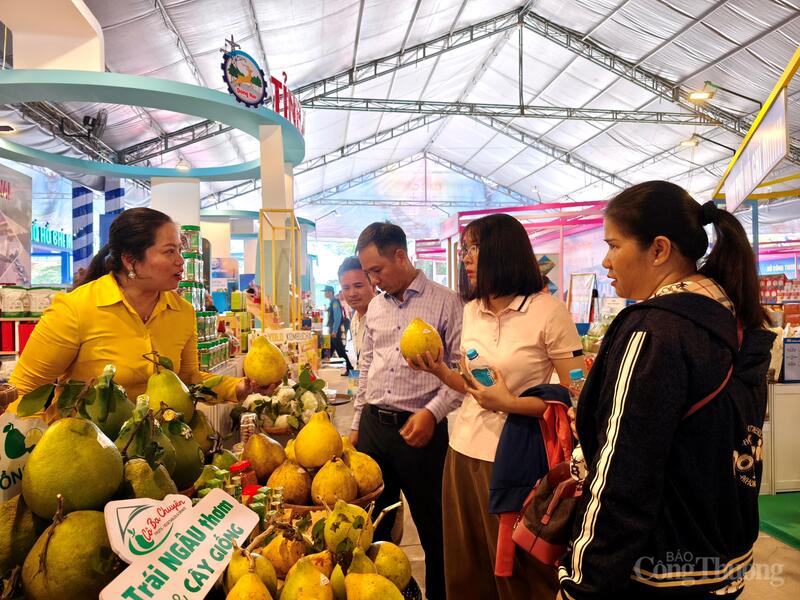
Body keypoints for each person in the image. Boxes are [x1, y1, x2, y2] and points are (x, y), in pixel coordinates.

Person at [558, 181, 775, 598]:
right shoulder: (731, 320)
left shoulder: (653, 330)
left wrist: (582, 583)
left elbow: (623, 473)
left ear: (659, 249)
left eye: (613, 245)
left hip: (655, 569)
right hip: (720, 561)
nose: (606, 261)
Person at [407, 213, 583, 599]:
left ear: (504, 251)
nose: (466, 258)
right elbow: (473, 386)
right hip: (462, 452)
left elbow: (575, 395)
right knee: (466, 567)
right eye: (465, 249)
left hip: (517, 458)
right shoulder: (472, 310)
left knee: (518, 574)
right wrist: (440, 370)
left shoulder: (547, 311)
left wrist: (511, 403)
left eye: (474, 248)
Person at [7, 208, 276, 416]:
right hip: (84, 455)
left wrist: (238, 388)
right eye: (169, 251)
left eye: (180, 250)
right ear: (130, 260)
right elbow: (23, 391)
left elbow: (187, 381)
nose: (180, 261)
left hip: (156, 452)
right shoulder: (75, 309)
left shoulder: (181, 312)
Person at [350, 222, 462, 600]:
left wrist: (432, 412)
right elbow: (367, 365)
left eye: (377, 270)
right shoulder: (376, 307)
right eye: (368, 272)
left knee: (435, 530)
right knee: (372, 530)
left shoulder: (446, 302)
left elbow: (460, 373)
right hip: (374, 429)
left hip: (421, 432)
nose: (373, 280)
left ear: (400, 256)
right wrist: (357, 424)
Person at [337, 256, 376, 359]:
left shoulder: (385, 317)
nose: (352, 294)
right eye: (346, 288)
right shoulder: (355, 320)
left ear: (373, 286)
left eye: (358, 286)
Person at [325, 284, 354, 372]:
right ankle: (324, 366)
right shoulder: (332, 302)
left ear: (330, 293)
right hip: (332, 331)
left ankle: (349, 367)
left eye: (326, 292)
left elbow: (337, 317)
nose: (324, 294)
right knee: (330, 349)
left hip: (335, 331)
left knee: (340, 349)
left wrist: (334, 331)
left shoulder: (335, 303)